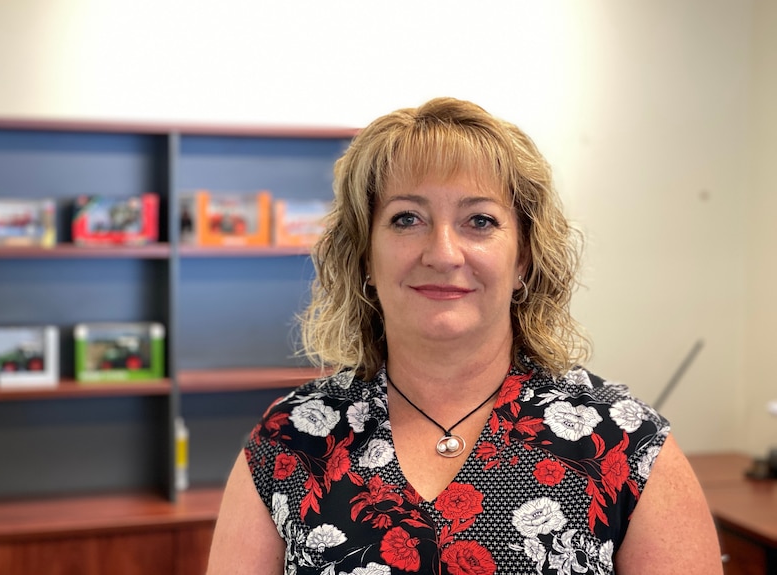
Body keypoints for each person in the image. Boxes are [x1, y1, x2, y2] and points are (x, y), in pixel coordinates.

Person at [206, 97, 723, 574]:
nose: (443, 253)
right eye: (407, 218)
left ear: (524, 258)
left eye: (480, 220)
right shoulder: (290, 442)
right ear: (365, 255)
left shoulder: (624, 444)